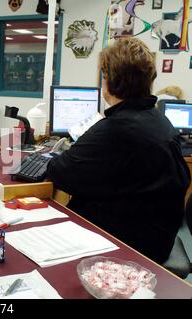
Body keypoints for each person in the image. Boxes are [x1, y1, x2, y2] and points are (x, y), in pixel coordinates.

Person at [46, 38, 190, 264]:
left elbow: (59, 172)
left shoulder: (115, 128)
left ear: (108, 81)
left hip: (127, 247)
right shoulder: (159, 120)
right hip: (158, 238)